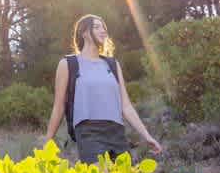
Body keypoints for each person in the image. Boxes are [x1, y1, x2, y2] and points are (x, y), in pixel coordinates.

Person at [42, 14, 162, 164]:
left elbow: (126, 106)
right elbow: (59, 106)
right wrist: (48, 140)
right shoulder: (68, 64)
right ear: (84, 32)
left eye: (104, 28)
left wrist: (147, 136)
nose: (103, 31)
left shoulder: (112, 64)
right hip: (88, 133)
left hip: (117, 133)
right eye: (97, 27)